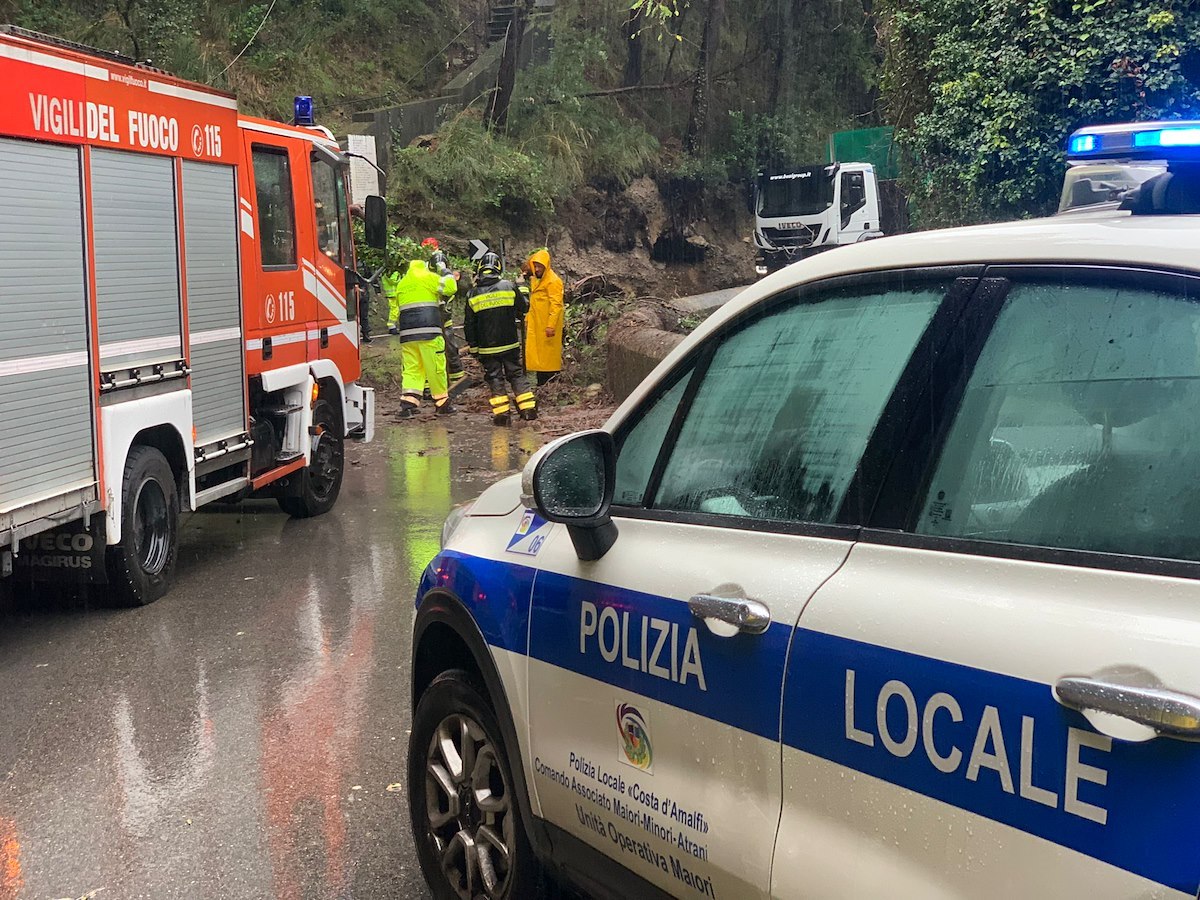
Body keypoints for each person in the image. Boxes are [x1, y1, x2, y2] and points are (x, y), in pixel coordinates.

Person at [465, 252, 537, 425]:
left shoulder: (472, 294)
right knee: (516, 374)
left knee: (495, 378)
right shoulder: (509, 286)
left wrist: (473, 348)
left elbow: (469, 325)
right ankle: (528, 409)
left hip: (486, 348)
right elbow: (525, 307)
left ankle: (502, 414)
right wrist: (523, 288)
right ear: (498, 268)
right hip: (510, 344)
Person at [383, 257, 457, 417]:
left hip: (407, 335)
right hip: (429, 331)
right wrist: (445, 271)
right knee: (435, 367)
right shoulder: (429, 277)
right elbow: (451, 288)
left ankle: (408, 403)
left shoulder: (402, 283)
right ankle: (442, 403)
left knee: (412, 369)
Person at [524, 248, 564, 385]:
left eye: (539, 266)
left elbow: (556, 305)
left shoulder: (553, 281)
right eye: (535, 266)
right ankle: (542, 385)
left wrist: (551, 325)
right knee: (539, 359)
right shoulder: (535, 280)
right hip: (537, 325)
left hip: (547, 327)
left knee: (548, 360)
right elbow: (534, 303)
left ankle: (551, 386)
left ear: (546, 266)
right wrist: (528, 318)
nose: (537, 268)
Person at [429, 247, 466, 391]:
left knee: (450, 349)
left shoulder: (443, 279)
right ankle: (431, 385)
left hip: (444, 320)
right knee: (435, 352)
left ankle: (457, 379)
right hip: (434, 321)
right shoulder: (431, 278)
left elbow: (450, 291)